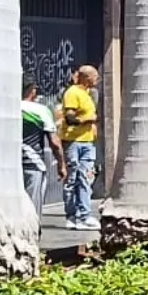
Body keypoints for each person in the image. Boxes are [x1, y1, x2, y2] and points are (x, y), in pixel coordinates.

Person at [57, 65, 100, 230]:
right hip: (73, 141)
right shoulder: (72, 93)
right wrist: (88, 120)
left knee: (85, 177)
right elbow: (69, 118)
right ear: (86, 77)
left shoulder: (87, 94)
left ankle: (85, 215)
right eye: (94, 77)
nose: (96, 80)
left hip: (87, 141)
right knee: (72, 178)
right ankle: (71, 216)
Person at [20, 79, 62, 213]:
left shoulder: (5, 106)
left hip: (8, 166)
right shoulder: (40, 110)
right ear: (32, 91)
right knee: (32, 208)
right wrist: (61, 165)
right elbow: (54, 143)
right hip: (33, 163)